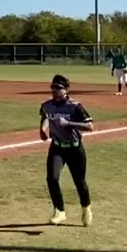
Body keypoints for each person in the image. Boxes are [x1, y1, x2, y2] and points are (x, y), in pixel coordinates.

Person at [39, 74, 94, 227]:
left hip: (75, 149)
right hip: (57, 148)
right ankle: (59, 211)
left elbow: (90, 126)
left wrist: (68, 123)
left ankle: (86, 208)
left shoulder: (75, 106)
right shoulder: (46, 105)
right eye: (52, 87)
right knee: (52, 178)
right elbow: (45, 117)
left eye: (58, 88)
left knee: (80, 182)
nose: (54, 90)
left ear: (66, 90)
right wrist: (43, 129)